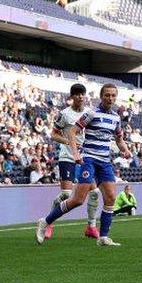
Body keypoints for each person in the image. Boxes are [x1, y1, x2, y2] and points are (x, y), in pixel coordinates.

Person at [36, 83, 132, 247]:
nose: (110, 98)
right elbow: (72, 132)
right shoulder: (91, 113)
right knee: (78, 199)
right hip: (89, 159)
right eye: (107, 95)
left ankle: (103, 237)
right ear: (101, 96)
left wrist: (125, 150)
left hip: (104, 161)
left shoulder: (116, 117)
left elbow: (119, 139)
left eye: (113, 95)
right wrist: (75, 154)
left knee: (110, 198)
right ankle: (45, 221)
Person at [45, 83, 101, 240]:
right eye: (77, 94)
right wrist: (68, 141)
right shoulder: (65, 114)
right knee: (66, 194)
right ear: (72, 97)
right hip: (67, 156)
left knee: (95, 193)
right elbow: (54, 134)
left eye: (82, 94)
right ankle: (49, 221)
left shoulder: (90, 113)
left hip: (85, 158)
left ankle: (91, 227)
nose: (80, 96)